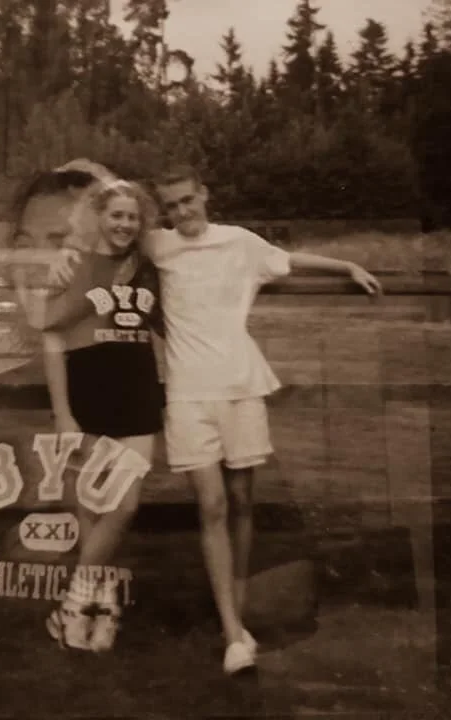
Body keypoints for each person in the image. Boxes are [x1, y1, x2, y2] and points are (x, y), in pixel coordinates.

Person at [145, 164, 382, 674]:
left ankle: (235, 607)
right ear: (162, 210)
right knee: (211, 505)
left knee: (240, 501)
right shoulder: (157, 246)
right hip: (188, 396)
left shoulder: (240, 243)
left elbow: (291, 260)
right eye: (171, 206)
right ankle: (233, 635)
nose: (182, 211)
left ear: (204, 195)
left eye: (188, 200)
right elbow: (106, 244)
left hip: (241, 387)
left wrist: (346, 266)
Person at [0, 163, 163, 708]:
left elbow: (279, 593)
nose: (39, 262)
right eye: (25, 244)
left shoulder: (166, 405)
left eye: (63, 242)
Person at [32, 175, 164, 651]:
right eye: (116, 215)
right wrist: (63, 413)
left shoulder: (148, 268)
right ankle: (100, 609)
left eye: (132, 216)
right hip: (90, 398)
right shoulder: (74, 265)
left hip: (139, 399)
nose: (124, 224)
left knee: (122, 507)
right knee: (94, 509)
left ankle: (72, 605)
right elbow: (50, 336)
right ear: (100, 217)